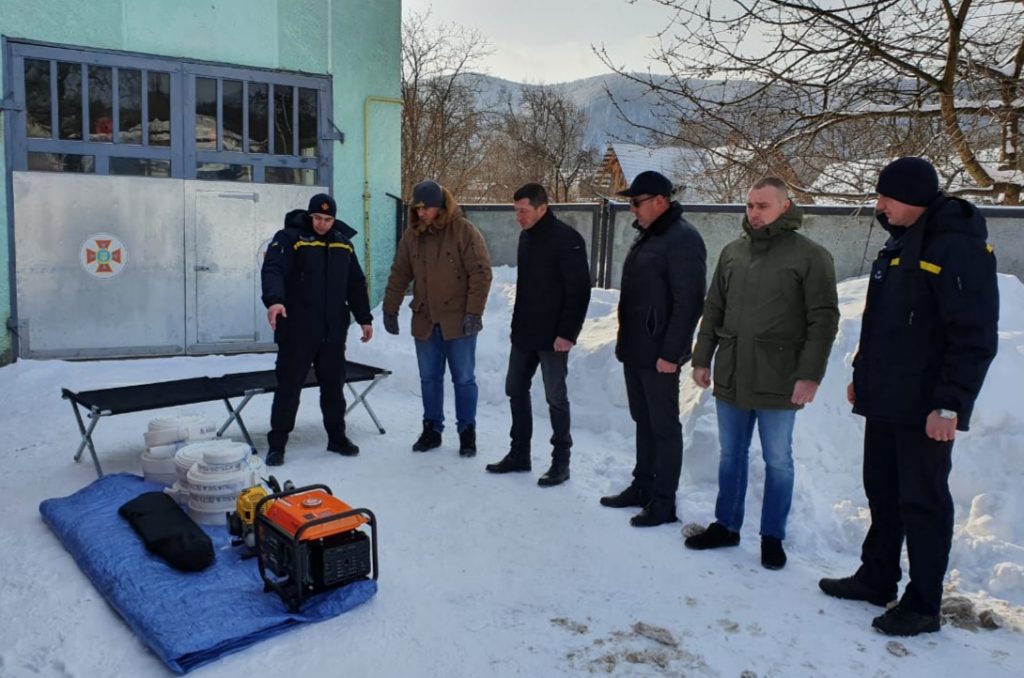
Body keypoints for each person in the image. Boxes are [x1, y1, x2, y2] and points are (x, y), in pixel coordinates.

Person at [818, 157, 998, 636]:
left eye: (886, 197)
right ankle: (877, 577)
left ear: (914, 197)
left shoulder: (956, 249)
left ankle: (922, 605)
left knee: (923, 502)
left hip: (926, 408)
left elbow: (974, 335)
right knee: (883, 493)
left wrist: (951, 403)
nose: (878, 206)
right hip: (887, 398)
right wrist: (863, 375)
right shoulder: (898, 246)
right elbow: (881, 325)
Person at [684, 177, 839, 569]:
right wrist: (703, 358)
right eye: (750, 205)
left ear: (785, 206)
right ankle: (726, 525)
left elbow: (823, 321)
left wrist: (810, 375)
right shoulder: (733, 252)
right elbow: (713, 309)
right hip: (733, 371)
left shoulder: (810, 256)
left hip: (780, 376)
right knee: (730, 454)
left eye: (763, 205)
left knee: (778, 460)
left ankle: (772, 536)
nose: (753, 213)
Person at [600, 171, 707, 527]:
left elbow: (689, 302)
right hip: (636, 348)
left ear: (660, 201)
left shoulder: (683, 239)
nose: (631, 209)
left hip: (659, 353)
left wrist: (671, 353)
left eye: (636, 202)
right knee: (643, 421)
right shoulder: (650, 235)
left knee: (663, 426)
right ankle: (642, 485)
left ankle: (664, 501)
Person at [485, 183, 592, 486]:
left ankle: (561, 462)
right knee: (514, 389)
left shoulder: (568, 240)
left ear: (542, 208)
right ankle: (520, 454)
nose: (519, 217)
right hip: (525, 334)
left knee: (556, 398)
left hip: (554, 337)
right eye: (516, 211)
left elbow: (579, 291)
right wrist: (516, 328)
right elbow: (527, 288)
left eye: (524, 211)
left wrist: (567, 334)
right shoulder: (526, 237)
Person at [260, 193, 374, 467]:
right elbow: (272, 269)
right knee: (289, 388)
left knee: (334, 388)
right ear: (309, 216)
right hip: (297, 330)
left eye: (328, 219)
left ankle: (337, 438)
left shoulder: (343, 244)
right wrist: (274, 301)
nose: (322, 224)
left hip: (332, 330)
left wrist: (364, 317)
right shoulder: (290, 238)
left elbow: (356, 283)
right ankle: (277, 444)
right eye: (318, 218)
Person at [382, 180, 493, 456]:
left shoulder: (464, 231)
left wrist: (474, 312)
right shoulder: (412, 236)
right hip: (425, 319)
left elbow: (481, 273)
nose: (421, 213)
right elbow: (399, 274)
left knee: (464, 379)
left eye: (427, 208)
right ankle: (432, 428)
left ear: (441, 206)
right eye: (417, 208)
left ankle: (467, 431)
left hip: (459, 321)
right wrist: (390, 308)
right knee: (429, 378)